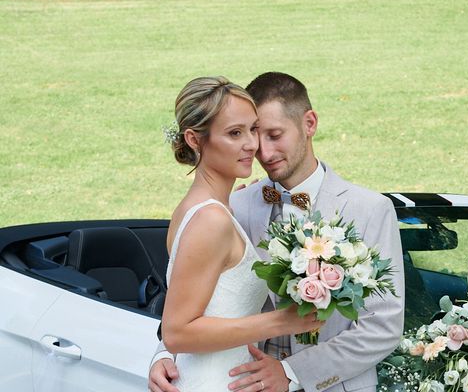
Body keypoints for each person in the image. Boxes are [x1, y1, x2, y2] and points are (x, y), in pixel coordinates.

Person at [149, 72, 405, 392]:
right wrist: (166, 354)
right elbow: (191, 301)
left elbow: (381, 328)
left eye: (273, 134)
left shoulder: (369, 210)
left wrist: (292, 372)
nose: (262, 152)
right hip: (237, 382)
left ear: (309, 123)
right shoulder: (233, 207)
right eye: (252, 133)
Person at [158, 76, 321, 392]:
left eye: (252, 129)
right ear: (194, 139)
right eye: (235, 133)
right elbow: (176, 332)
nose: (252, 144)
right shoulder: (210, 219)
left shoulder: (205, 208)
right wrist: (282, 321)